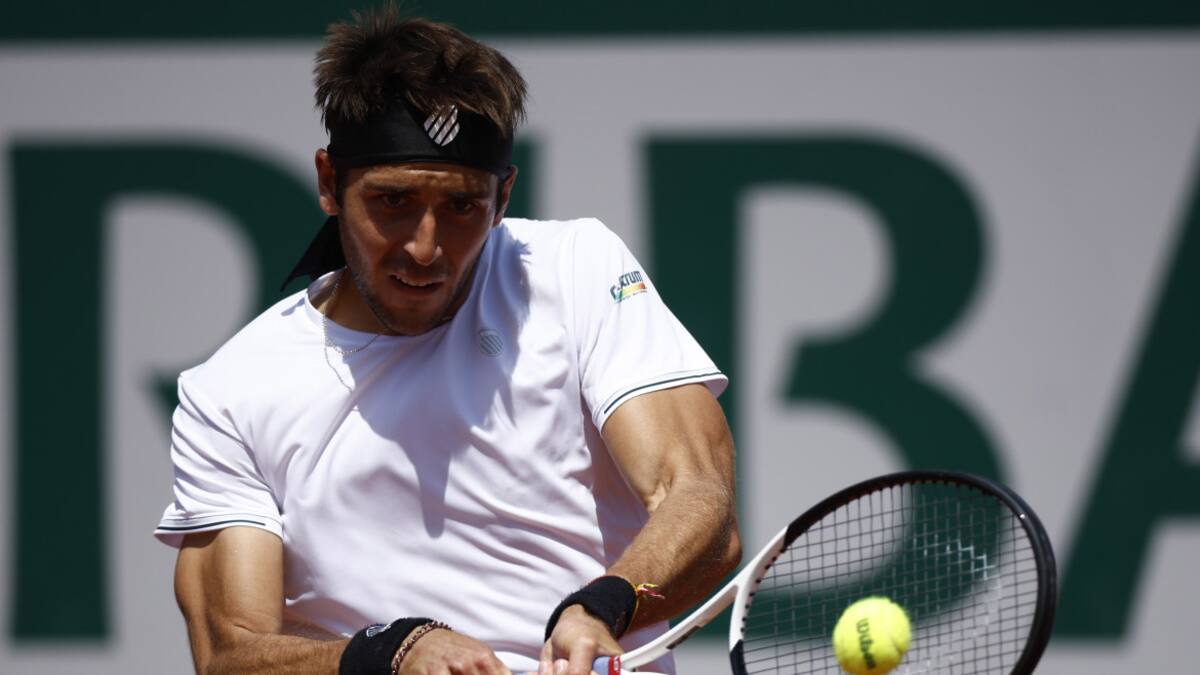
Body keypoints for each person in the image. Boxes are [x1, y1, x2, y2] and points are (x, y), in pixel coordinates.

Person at [155, 7, 740, 675]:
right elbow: (231, 655)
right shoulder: (229, 393)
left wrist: (604, 605)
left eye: (462, 206)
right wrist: (389, 653)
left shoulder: (577, 268)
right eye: (393, 201)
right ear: (328, 183)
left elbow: (700, 501)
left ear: (503, 197)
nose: (426, 247)